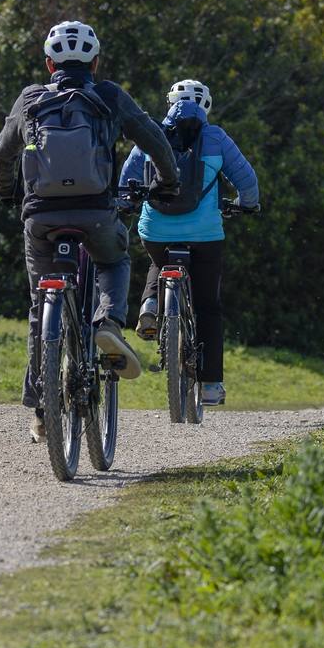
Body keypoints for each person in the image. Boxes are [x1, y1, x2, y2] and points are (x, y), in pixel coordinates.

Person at [0, 21, 180, 442]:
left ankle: (41, 408)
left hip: (40, 217)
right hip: (96, 212)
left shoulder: (30, 99)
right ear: (95, 63)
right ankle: (108, 321)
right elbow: (153, 138)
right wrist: (169, 180)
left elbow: (2, 153)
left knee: (41, 304)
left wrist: (5, 192)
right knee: (114, 258)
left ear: (48, 63)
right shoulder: (109, 96)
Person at [118, 79, 259, 407]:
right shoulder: (216, 137)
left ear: (169, 102)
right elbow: (246, 180)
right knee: (209, 307)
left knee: (158, 261)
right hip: (205, 236)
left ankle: (150, 305)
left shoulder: (151, 133)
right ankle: (210, 385)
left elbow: (127, 179)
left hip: (155, 231)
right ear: (206, 107)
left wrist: (125, 204)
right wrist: (247, 203)